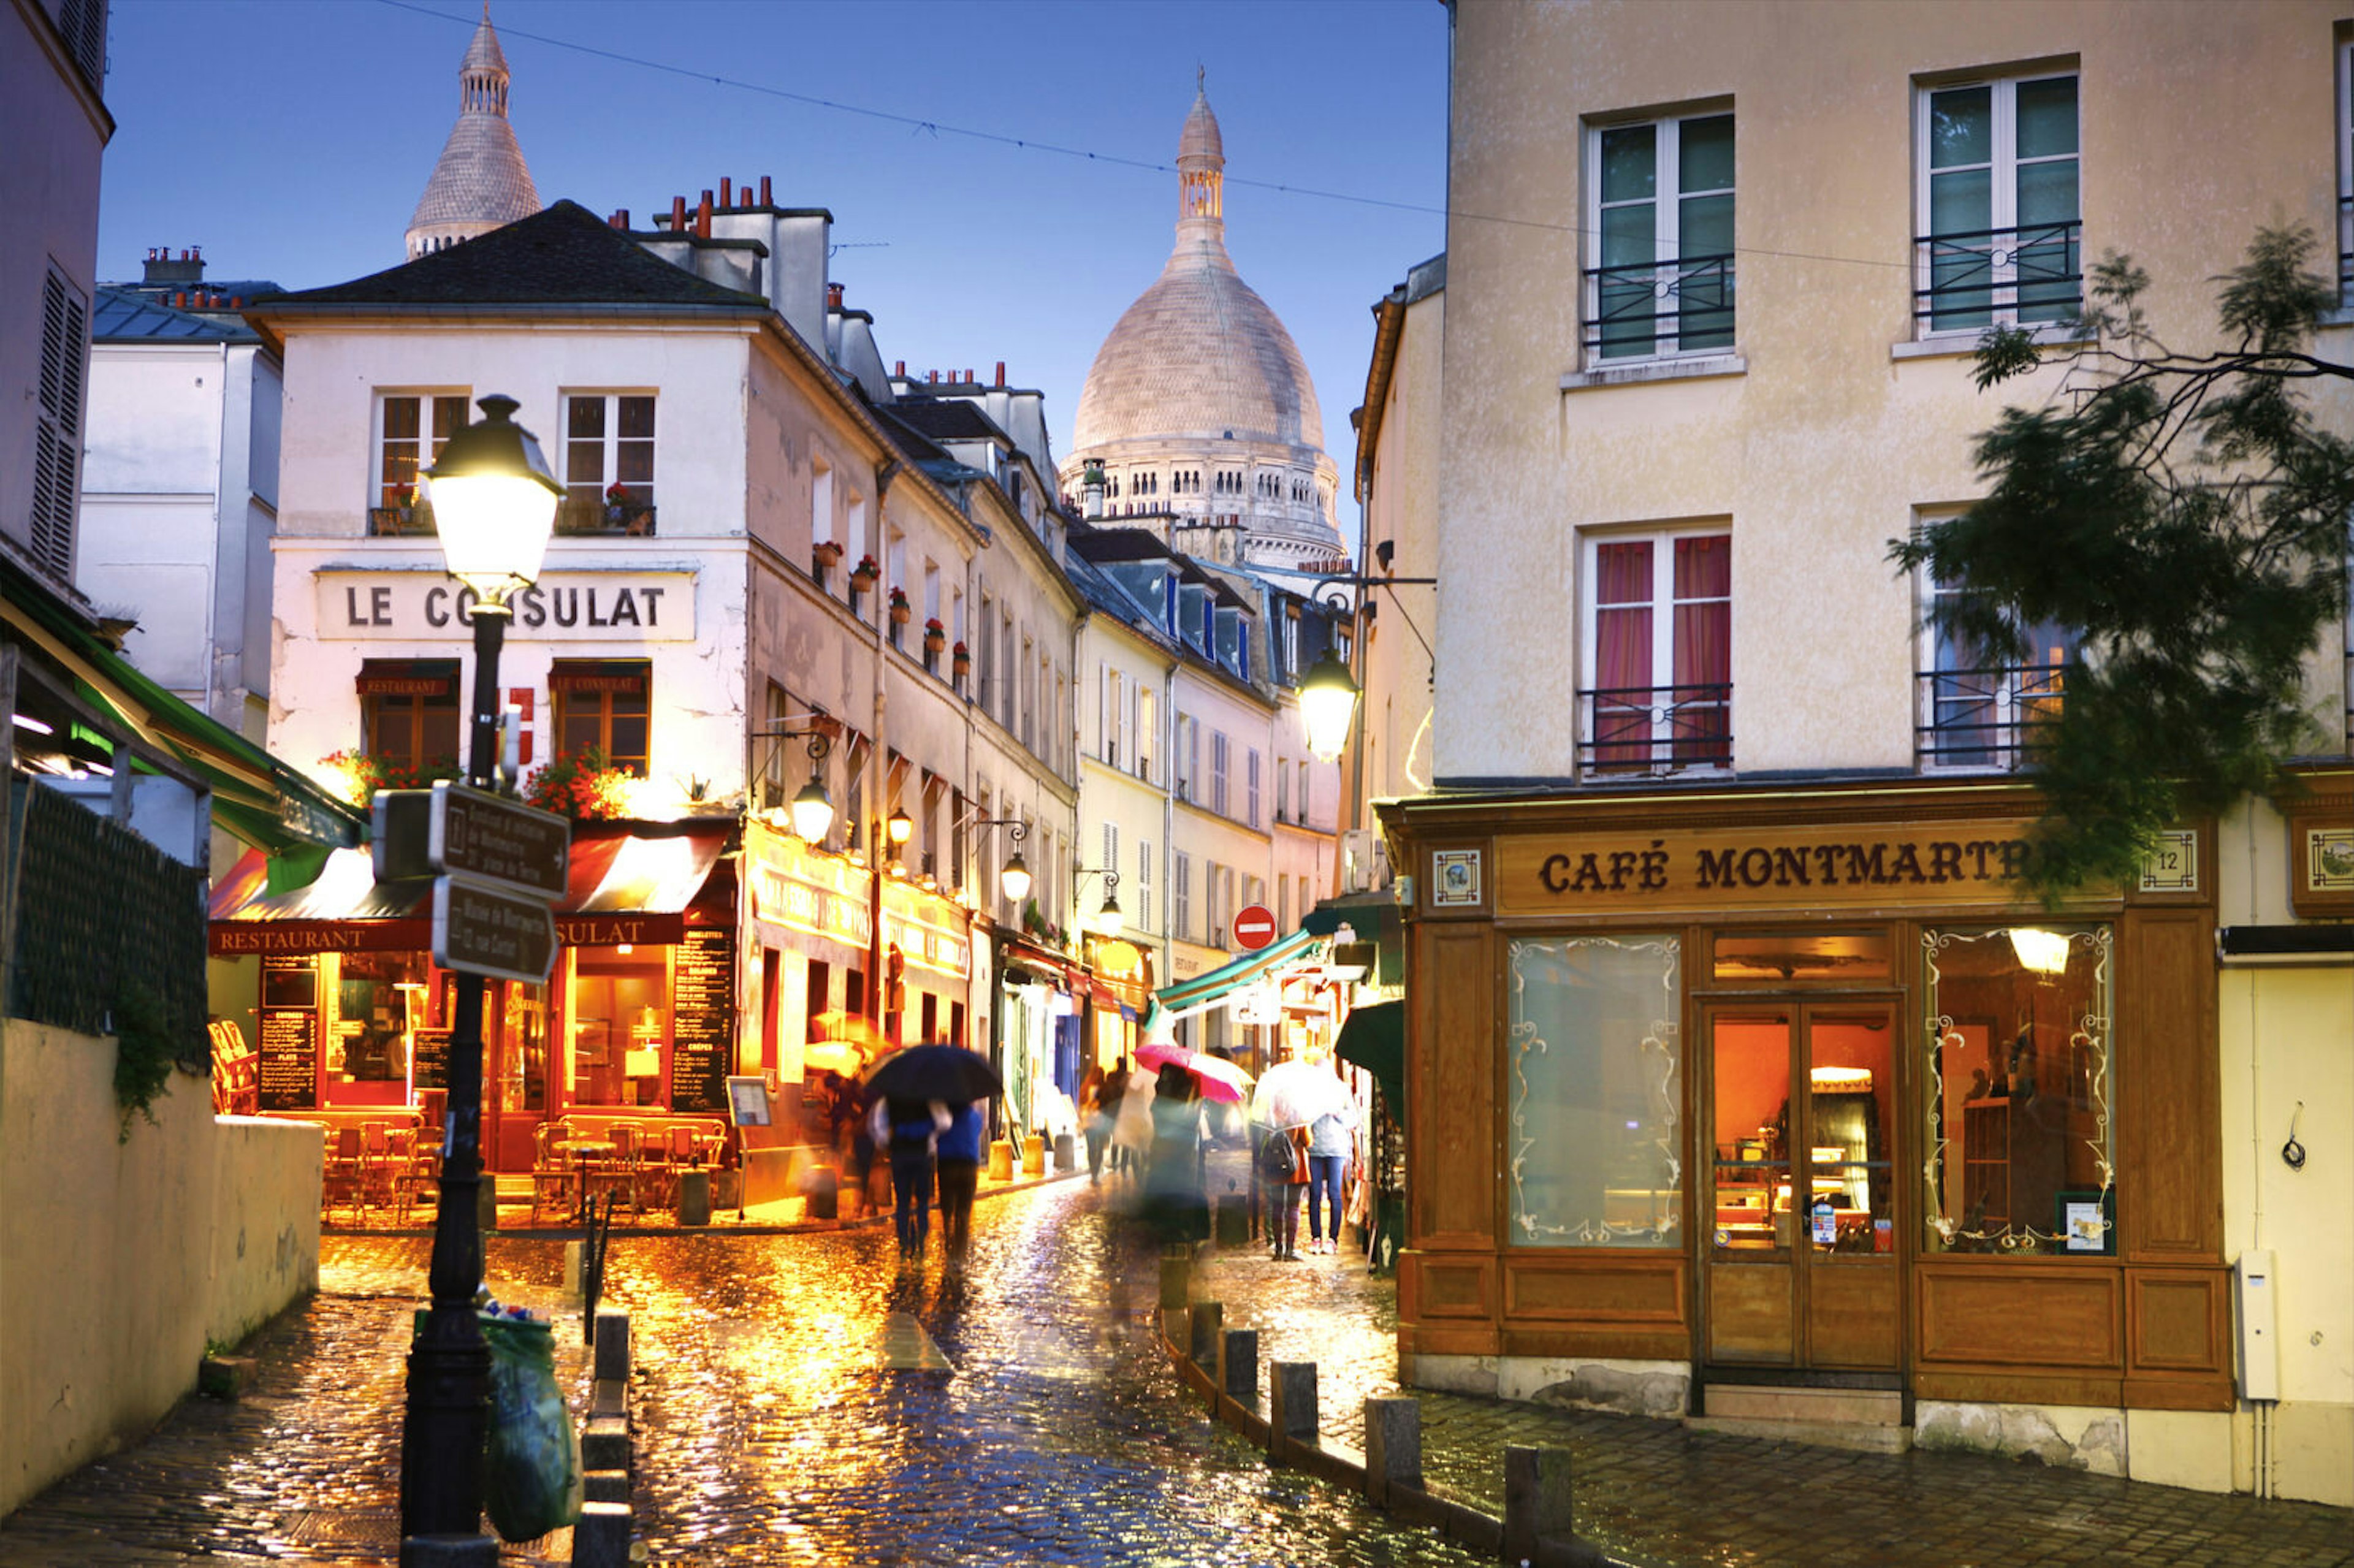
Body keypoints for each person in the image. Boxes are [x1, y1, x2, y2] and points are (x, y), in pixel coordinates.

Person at [869, 1093, 951, 1254]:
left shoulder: (889, 1100)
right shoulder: (930, 1098)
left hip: (899, 1155)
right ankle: (921, 1240)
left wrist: (888, 1141)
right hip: (922, 1155)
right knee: (922, 1202)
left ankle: (904, 1242)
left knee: (902, 1202)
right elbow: (945, 1123)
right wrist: (931, 1139)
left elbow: (878, 1125)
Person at [1143, 1064, 1208, 1243]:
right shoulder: (1187, 1089)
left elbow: (1157, 1113)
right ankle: (1183, 1230)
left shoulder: (1168, 1090)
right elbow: (1189, 1120)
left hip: (1165, 1149)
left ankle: (1171, 1230)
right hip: (1181, 1150)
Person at [934, 1098, 985, 1255]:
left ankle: (949, 1242)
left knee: (948, 1209)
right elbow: (978, 1132)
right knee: (964, 1211)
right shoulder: (975, 1116)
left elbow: (936, 1135)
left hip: (947, 1164)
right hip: (968, 1165)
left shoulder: (943, 1118)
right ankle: (960, 1252)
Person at [1305, 1108, 1352, 1255]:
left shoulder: (1341, 1093)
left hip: (1337, 1150)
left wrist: (1338, 1113)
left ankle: (1333, 1239)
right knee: (1315, 1193)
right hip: (1315, 1148)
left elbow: (1353, 1120)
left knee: (1335, 1193)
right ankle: (1316, 1237)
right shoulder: (1313, 1096)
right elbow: (1303, 1118)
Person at [1263, 1122, 1311, 1260]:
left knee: (1277, 1206)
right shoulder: (1299, 1116)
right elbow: (1308, 1141)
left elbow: (1267, 1139)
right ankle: (1290, 1250)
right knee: (1293, 1207)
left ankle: (1278, 1250)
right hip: (1295, 1166)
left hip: (1275, 1163)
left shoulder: (1272, 1115)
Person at [1078, 1065, 1111, 1184]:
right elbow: (1106, 1105)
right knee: (1100, 1148)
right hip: (1100, 1121)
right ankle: (1097, 1173)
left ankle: (1093, 1173)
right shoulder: (1103, 1089)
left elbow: (1081, 1105)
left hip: (1088, 1121)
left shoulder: (1085, 1088)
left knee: (1091, 1148)